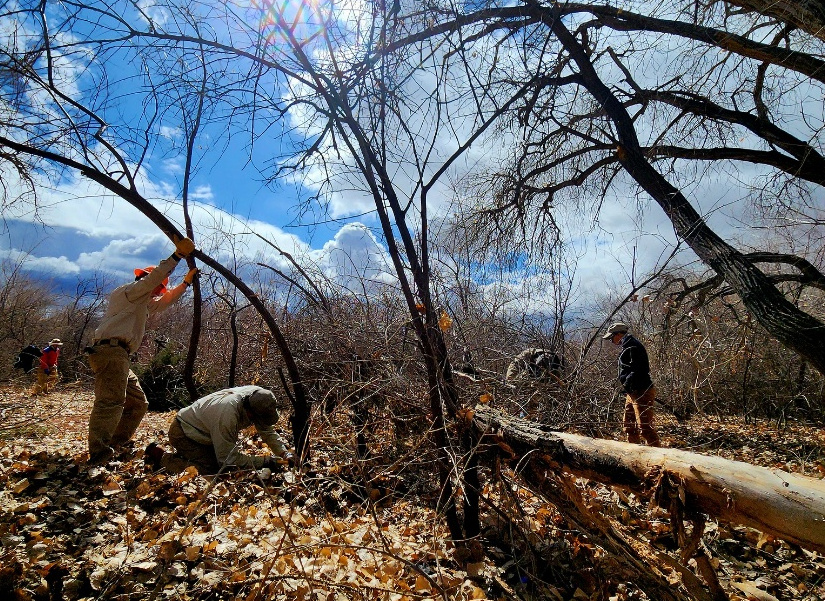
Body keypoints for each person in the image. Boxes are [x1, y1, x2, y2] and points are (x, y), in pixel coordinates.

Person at [86, 236, 197, 464]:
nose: (158, 292)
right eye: (157, 286)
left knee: (138, 403)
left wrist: (185, 283)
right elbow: (152, 282)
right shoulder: (129, 292)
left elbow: (165, 301)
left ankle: (116, 443)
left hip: (120, 355)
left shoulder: (142, 303)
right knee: (110, 402)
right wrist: (177, 256)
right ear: (146, 280)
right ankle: (99, 453)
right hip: (110, 353)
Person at [144, 386, 292, 474]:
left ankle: (187, 457)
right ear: (251, 413)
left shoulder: (258, 396)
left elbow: (266, 429)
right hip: (183, 433)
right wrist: (265, 461)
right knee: (211, 469)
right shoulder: (228, 415)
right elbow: (228, 461)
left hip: (205, 433)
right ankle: (162, 457)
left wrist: (284, 453)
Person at [603, 322, 660, 446]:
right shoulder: (627, 345)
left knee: (645, 428)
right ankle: (634, 455)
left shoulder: (632, 346)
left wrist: (628, 383)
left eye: (611, 337)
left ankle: (660, 460)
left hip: (641, 391)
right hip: (633, 392)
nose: (611, 340)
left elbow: (639, 369)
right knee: (629, 426)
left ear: (618, 334)